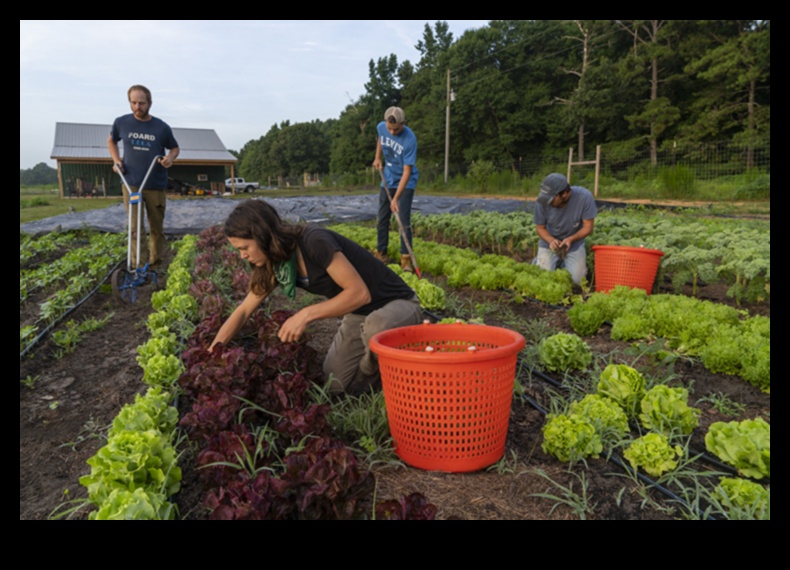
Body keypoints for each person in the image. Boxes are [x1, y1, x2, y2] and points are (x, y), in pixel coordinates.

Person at [209, 200, 423, 395]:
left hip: (396, 303)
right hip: (358, 314)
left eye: (244, 248)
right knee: (334, 385)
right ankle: (383, 367)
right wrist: (213, 353)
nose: (242, 255)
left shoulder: (313, 241)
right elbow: (244, 310)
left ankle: (386, 363)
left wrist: (306, 314)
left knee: (377, 327)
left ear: (262, 235)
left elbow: (359, 293)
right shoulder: (275, 262)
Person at [108, 84, 179, 268]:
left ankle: (156, 264)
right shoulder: (121, 123)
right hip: (131, 183)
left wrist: (169, 158)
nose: (137, 107)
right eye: (133, 103)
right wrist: (117, 161)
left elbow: (174, 148)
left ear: (150, 103)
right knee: (134, 229)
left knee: (156, 228)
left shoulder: (161, 127)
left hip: (155, 184)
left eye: (141, 103)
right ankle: (139, 266)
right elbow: (111, 141)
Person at [372, 106, 419, 272]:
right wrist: (378, 157)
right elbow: (380, 139)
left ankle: (405, 259)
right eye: (389, 129)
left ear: (403, 124)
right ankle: (381, 252)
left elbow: (407, 171)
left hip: (405, 182)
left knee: (403, 222)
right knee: (382, 218)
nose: (391, 132)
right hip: (388, 178)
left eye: (396, 129)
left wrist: (396, 198)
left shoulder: (410, 139)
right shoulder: (381, 127)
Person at [533, 173, 597, 285]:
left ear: (564, 193)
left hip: (574, 244)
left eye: (551, 199)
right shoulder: (542, 201)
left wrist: (571, 239)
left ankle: (561, 262)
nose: (547, 202)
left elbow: (588, 227)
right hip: (549, 243)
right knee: (543, 278)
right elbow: (540, 228)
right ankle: (539, 261)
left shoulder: (584, 197)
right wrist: (551, 240)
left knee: (576, 281)